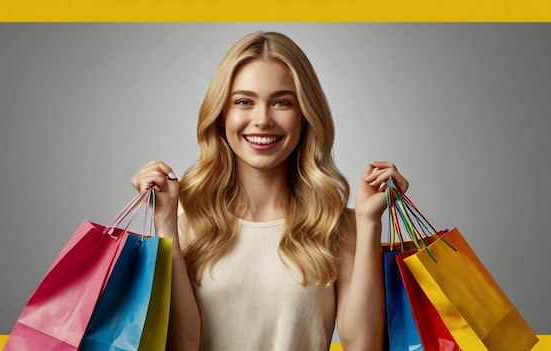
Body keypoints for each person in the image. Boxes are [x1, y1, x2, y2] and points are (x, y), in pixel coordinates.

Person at [131, 31, 409, 351]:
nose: (262, 120)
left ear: (304, 116)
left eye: (281, 102)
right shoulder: (184, 220)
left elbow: (363, 346)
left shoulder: (339, 225)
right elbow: (182, 345)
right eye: (244, 102)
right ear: (222, 116)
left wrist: (370, 221)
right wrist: (165, 224)